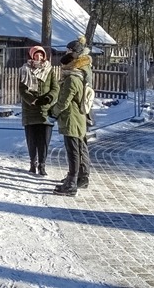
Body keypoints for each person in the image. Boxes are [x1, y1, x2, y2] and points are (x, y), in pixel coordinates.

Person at [49, 36, 93, 196]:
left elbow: (65, 101)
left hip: (74, 117)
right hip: (77, 116)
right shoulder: (77, 73)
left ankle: (75, 181)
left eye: (69, 51)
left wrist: (53, 112)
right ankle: (74, 178)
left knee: (75, 150)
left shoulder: (75, 75)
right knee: (77, 149)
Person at [19, 45, 59, 176]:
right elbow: (22, 90)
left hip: (46, 110)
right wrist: (33, 100)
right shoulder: (25, 70)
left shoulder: (49, 70)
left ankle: (42, 165)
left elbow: (55, 88)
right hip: (30, 110)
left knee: (44, 140)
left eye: (41, 55)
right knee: (32, 139)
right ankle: (33, 163)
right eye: (36, 55)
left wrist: (48, 98)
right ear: (32, 56)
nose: (39, 57)